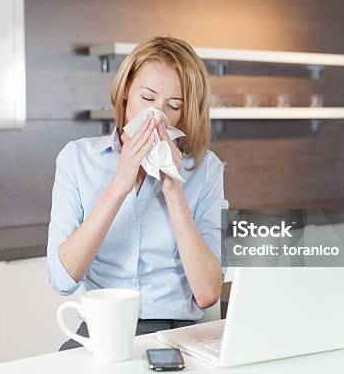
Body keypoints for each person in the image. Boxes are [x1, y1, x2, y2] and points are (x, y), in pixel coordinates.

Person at [47, 37, 229, 350]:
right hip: (101, 327)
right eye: (148, 98)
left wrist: (173, 188)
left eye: (173, 106)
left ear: (184, 116)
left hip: (177, 332)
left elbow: (208, 292)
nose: (157, 115)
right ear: (126, 90)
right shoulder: (76, 159)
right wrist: (121, 182)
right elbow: (63, 280)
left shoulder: (206, 168)